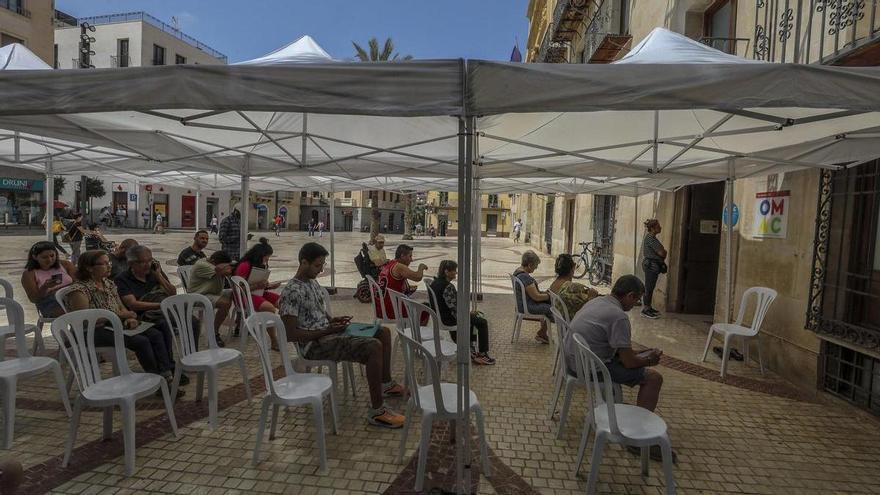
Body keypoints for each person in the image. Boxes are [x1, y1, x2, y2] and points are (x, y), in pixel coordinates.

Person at [280, 242, 406, 428]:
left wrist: (333, 320)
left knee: (383, 332)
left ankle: (386, 384)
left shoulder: (312, 283)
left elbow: (317, 313)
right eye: (317, 265)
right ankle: (377, 412)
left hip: (327, 334)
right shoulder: (291, 291)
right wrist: (328, 330)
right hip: (314, 346)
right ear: (303, 262)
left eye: (323, 265)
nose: (321, 269)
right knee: (373, 347)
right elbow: (291, 334)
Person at [564, 275, 669, 461]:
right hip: (592, 369)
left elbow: (622, 351)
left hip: (574, 362)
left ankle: (631, 419)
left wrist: (641, 353)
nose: (636, 304)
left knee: (636, 362)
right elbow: (628, 362)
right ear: (629, 295)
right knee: (653, 378)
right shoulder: (619, 316)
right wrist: (649, 360)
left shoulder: (597, 302)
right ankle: (637, 437)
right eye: (636, 299)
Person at [65, 250, 182, 393]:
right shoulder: (79, 290)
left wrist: (130, 318)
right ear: (89, 268)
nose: (109, 266)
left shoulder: (108, 283)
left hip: (113, 324)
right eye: (104, 264)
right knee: (141, 341)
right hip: (90, 332)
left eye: (109, 262)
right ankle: (157, 382)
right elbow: (83, 321)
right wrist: (119, 317)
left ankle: (166, 375)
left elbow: (120, 307)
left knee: (155, 334)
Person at [115, 245, 191, 386]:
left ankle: (185, 360)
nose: (147, 265)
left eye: (150, 260)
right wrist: (161, 305)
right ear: (131, 263)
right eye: (142, 262)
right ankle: (167, 369)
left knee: (192, 321)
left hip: (160, 311)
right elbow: (133, 305)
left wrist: (159, 276)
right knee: (162, 326)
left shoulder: (153, 273)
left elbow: (172, 293)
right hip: (142, 315)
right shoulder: (123, 279)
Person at [430, 260, 495, 365]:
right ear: (446, 271)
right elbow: (455, 308)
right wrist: (468, 314)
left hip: (443, 316)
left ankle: (471, 350)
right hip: (450, 318)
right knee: (482, 322)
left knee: (474, 318)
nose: (456, 273)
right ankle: (483, 354)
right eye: (454, 271)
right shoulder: (448, 287)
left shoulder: (435, 283)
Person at [234, 238, 282, 350]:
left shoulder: (261, 265)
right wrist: (257, 286)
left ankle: (287, 332)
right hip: (244, 296)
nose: (267, 260)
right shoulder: (245, 265)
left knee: (284, 302)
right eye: (267, 257)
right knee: (270, 309)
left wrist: (269, 286)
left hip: (259, 292)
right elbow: (239, 288)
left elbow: (261, 283)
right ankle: (274, 340)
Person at [187, 250, 235, 347]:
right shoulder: (202, 265)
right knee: (225, 303)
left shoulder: (212, 262)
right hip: (198, 295)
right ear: (213, 261)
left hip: (212, 292)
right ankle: (214, 333)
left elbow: (228, 268)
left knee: (235, 294)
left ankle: (239, 324)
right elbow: (225, 271)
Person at [22, 241, 76, 319]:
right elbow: (34, 298)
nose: (49, 260)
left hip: (70, 297)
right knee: (75, 311)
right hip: (49, 303)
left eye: (52, 256)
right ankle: (75, 330)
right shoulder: (29, 274)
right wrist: (45, 287)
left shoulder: (66, 265)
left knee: (82, 306)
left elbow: (79, 282)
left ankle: (78, 329)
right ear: (35, 257)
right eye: (44, 257)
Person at [376, 244, 427, 319]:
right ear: (402, 256)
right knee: (425, 308)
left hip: (380, 308)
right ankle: (413, 329)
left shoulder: (389, 264)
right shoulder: (399, 266)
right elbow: (417, 277)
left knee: (414, 302)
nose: (411, 259)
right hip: (392, 309)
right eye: (410, 256)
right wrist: (421, 267)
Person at [513, 250, 552, 344]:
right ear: (530, 265)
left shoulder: (517, 271)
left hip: (522, 304)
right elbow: (536, 297)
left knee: (550, 305)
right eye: (535, 266)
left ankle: (542, 332)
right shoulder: (525, 277)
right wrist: (549, 296)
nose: (536, 268)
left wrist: (546, 295)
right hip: (528, 306)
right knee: (552, 309)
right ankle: (542, 333)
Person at [548, 254, 600, 319]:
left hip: (563, 321)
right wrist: (591, 297)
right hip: (574, 323)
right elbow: (587, 311)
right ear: (573, 268)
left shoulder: (554, 284)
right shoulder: (570, 287)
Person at [641, 219, 667, 320]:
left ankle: (649, 307)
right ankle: (646, 309)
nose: (660, 228)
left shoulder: (653, 238)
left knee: (650, 286)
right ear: (652, 228)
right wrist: (664, 252)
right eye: (658, 226)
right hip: (651, 265)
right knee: (649, 287)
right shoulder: (650, 238)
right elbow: (662, 253)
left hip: (653, 265)